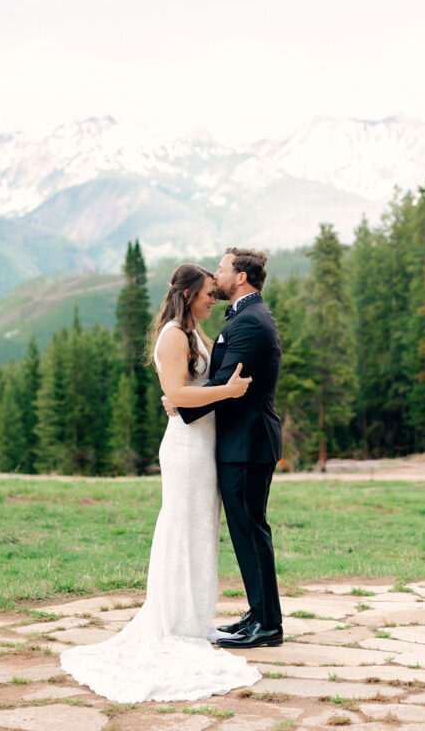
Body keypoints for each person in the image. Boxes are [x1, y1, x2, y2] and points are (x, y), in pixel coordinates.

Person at [60, 263, 262, 702]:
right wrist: (226, 393)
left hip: (203, 446)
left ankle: (191, 618)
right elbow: (181, 392)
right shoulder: (173, 335)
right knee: (181, 527)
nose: (215, 298)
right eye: (209, 292)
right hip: (187, 448)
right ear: (189, 294)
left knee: (199, 531)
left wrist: (217, 389)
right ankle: (173, 623)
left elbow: (193, 386)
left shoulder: (194, 335)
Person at [172, 248, 284, 649]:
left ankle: (268, 625)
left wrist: (180, 406)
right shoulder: (245, 316)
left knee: (251, 530)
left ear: (239, 278)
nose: (215, 275)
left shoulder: (251, 322)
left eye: (221, 269)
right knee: (246, 530)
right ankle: (259, 613)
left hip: (248, 443)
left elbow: (228, 383)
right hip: (241, 442)